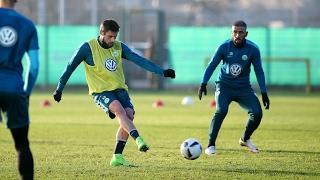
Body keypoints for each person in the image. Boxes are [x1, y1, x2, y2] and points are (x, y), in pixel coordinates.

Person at [52, 19, 175, 166]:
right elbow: (69, 67)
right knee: (119, 111)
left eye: (115, 36)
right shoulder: (87, 48)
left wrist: (162, 72)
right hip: (100, 91)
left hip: (119, 88)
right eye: (110, 36)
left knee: (129, 115)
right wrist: (59, 89)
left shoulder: (119, 47)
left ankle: (117, 157)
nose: (113, 40)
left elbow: (139, 60)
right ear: (102, 33)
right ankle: (138, 139)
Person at [198, 20, 270, 155]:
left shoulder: (253, 49)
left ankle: (245, 138)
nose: (237, 35)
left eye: (240, 32)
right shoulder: (224, 47)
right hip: (224, 86)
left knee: (257, 113)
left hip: (244, 88)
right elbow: (212, 65)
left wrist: (264, 92)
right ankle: (211, 145)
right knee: (221, 110)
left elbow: (259, 71)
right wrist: (203, 83)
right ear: (232, 32)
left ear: (246, 34)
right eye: (235, 32)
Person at [0, 0, 39, 179]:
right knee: (22, 144)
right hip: (14, 89)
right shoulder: (27, 25)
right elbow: (34, 67)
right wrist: (27, 91)